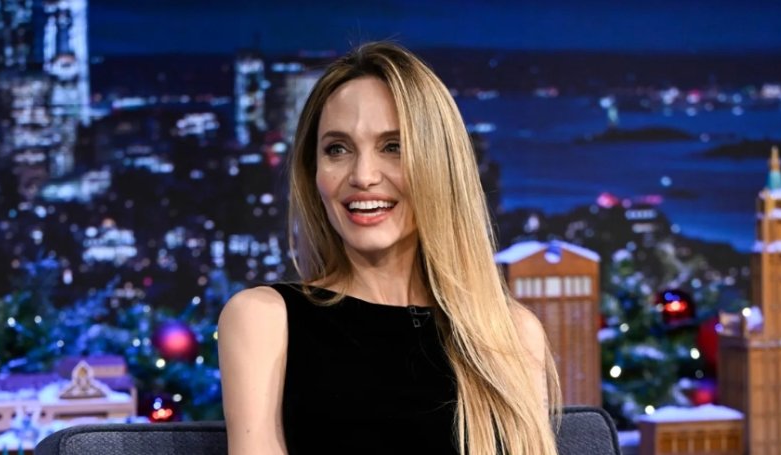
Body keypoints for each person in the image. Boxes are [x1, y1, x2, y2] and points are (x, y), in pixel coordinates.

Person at [218, 41, 561, 455]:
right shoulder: (266, 320)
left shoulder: (512, 335)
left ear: (439, 165)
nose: (363, 176)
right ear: (313, 173)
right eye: (337, 149)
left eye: (393, 147)